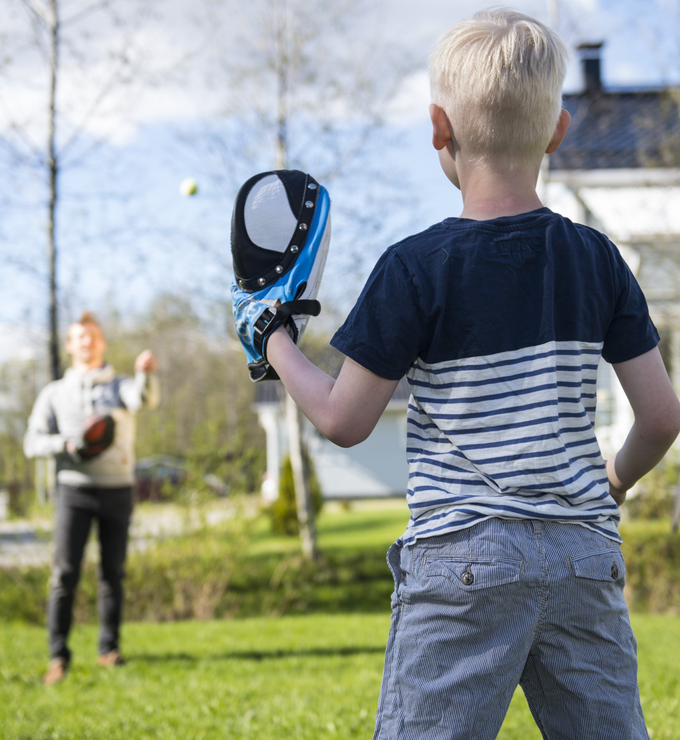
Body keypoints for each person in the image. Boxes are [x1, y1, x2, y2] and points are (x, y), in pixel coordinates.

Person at [238, 9, 680, 739]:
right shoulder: (598, 258)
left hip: (464, 556)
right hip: (583, 556)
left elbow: (346, 421)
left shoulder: (415, 267)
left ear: (438, 128)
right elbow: (661, 417)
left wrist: (273, 337)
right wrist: (616, 479)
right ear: (559, 130)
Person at [24, 312, 160, 685]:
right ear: (70, 345)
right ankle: (58, 658)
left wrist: (146, 372)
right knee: (64, 575)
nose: (87, 342)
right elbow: (31, 442)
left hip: (118, 489)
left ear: (102, 343)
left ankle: (108, 651)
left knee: (112, 575)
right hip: (73, 491)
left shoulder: (119, 386)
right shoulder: (53, 393)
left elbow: (142, 399)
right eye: (80, 337)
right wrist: (65, 445)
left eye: (93, 336)